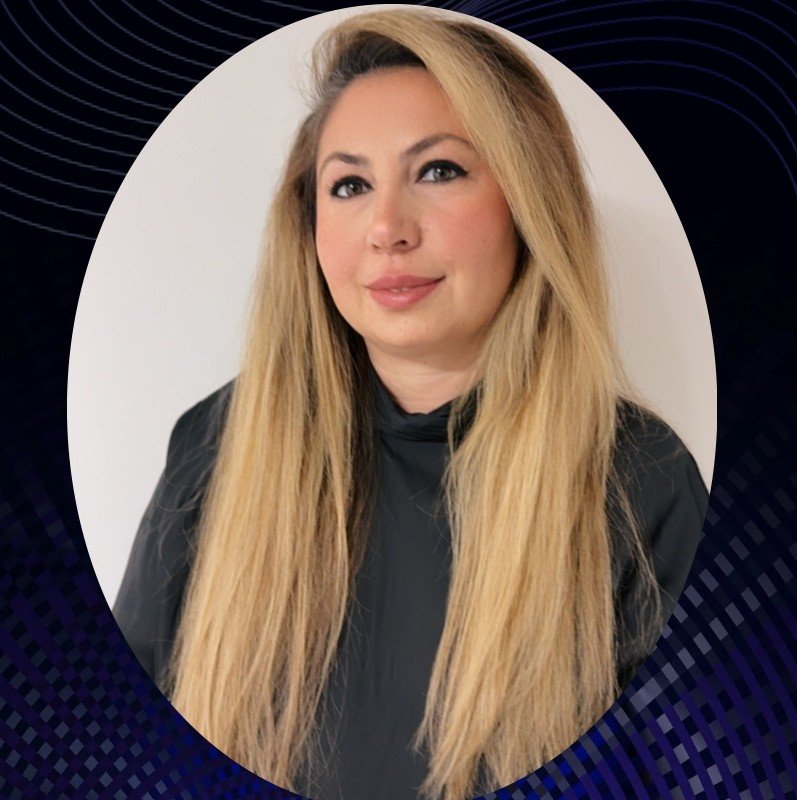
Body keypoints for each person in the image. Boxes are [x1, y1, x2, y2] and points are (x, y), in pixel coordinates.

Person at [113, 8, 708, 800]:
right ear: (310, 225)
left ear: (529, 202)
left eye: (439, 171)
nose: (387, 228)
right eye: (350, 185)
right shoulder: (216, 443)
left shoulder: (641, 482)